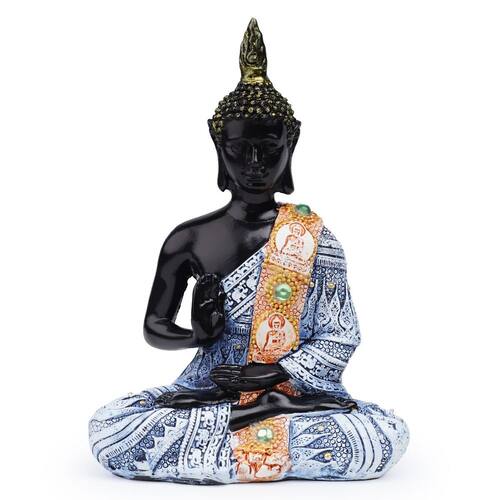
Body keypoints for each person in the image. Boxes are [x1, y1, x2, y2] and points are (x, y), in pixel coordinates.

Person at [89, 18, 409, 484]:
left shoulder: (312, 237)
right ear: (219, 146)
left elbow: (341, 335)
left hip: (292, 388)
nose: (255, 164)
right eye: (241, 150)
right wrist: (198, 336)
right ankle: (253, 418)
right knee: (113, 430)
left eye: (269, 148)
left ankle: (261, 415)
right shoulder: (188, 238)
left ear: (291, 144)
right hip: (208, 388)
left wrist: (272, 374)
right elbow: (155, 328)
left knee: (380, 438)